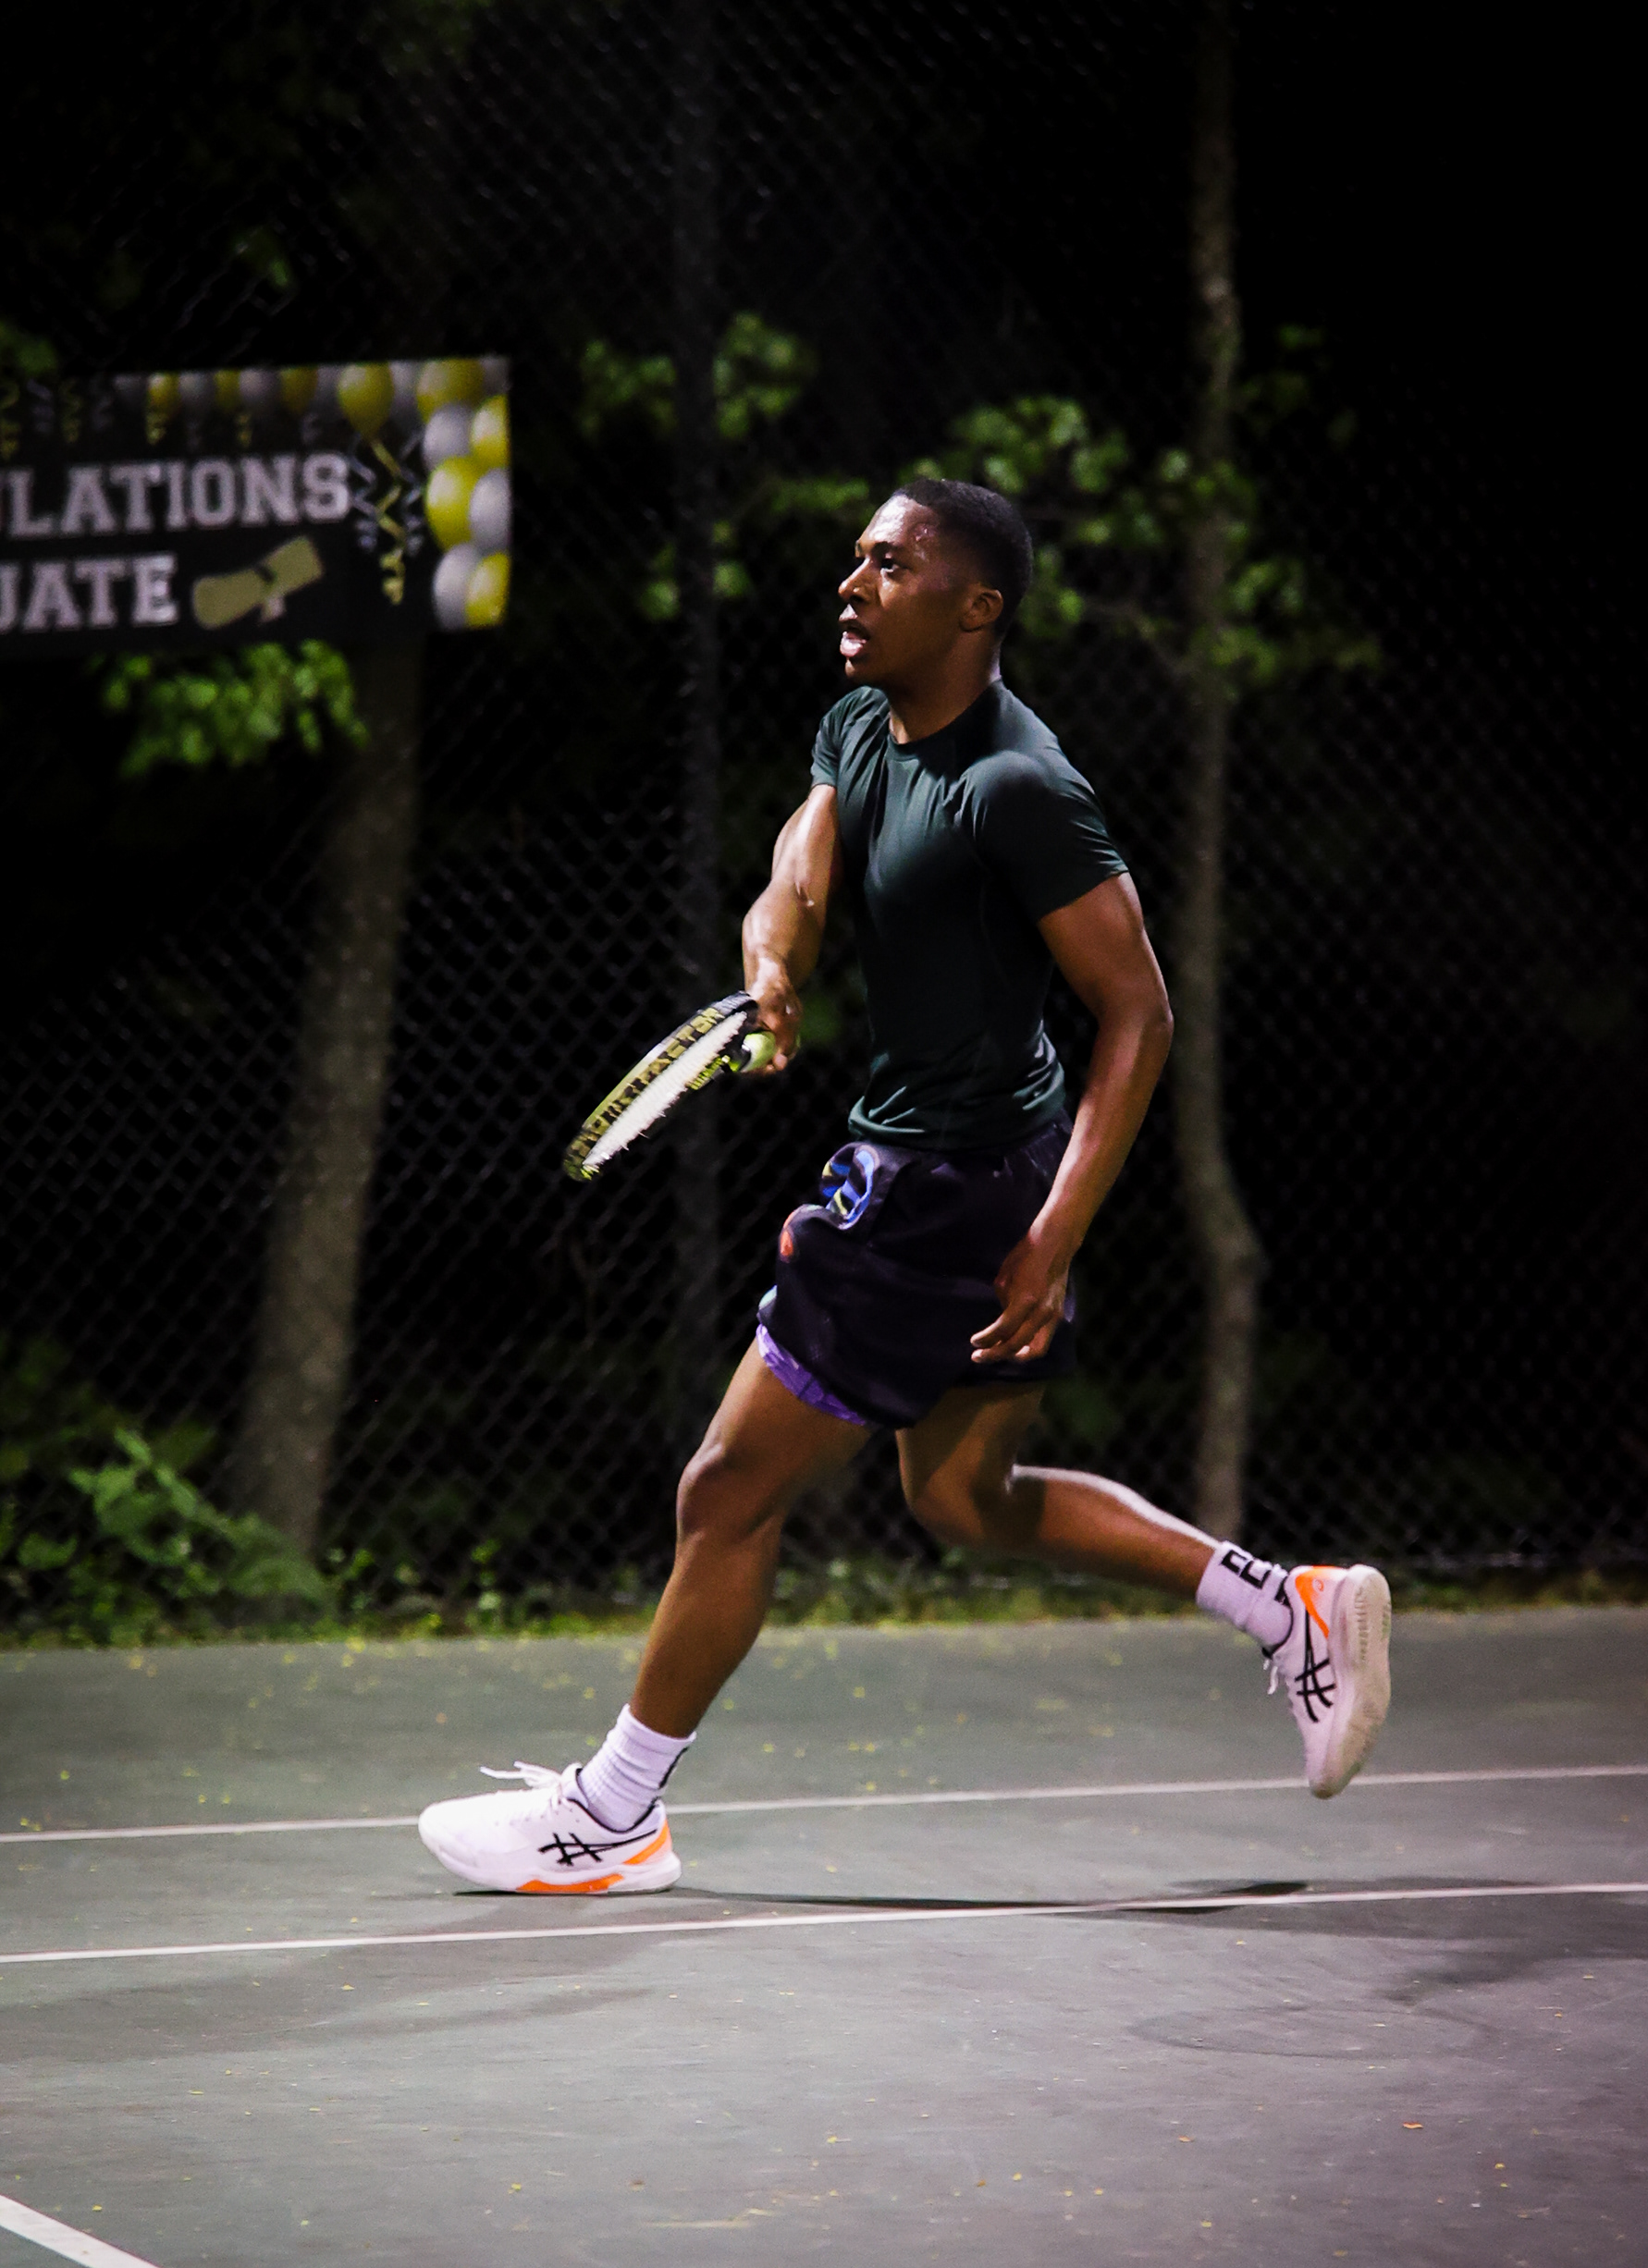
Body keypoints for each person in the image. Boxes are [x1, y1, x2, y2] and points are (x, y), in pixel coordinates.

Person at [418, 478, 1391, 1896]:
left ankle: (611, 1816)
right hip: (955, 1164)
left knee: (728, 1489)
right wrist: (773, 962)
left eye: (889, 563)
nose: (851, 583)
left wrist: (1054, 1233)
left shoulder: (1021, 788)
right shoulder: (862, 724)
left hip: (950, 1183)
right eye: (854, 560)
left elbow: (1140, 1012)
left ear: (974, 604)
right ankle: (1290, 1609)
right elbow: (797, 866)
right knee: (963, 1494)